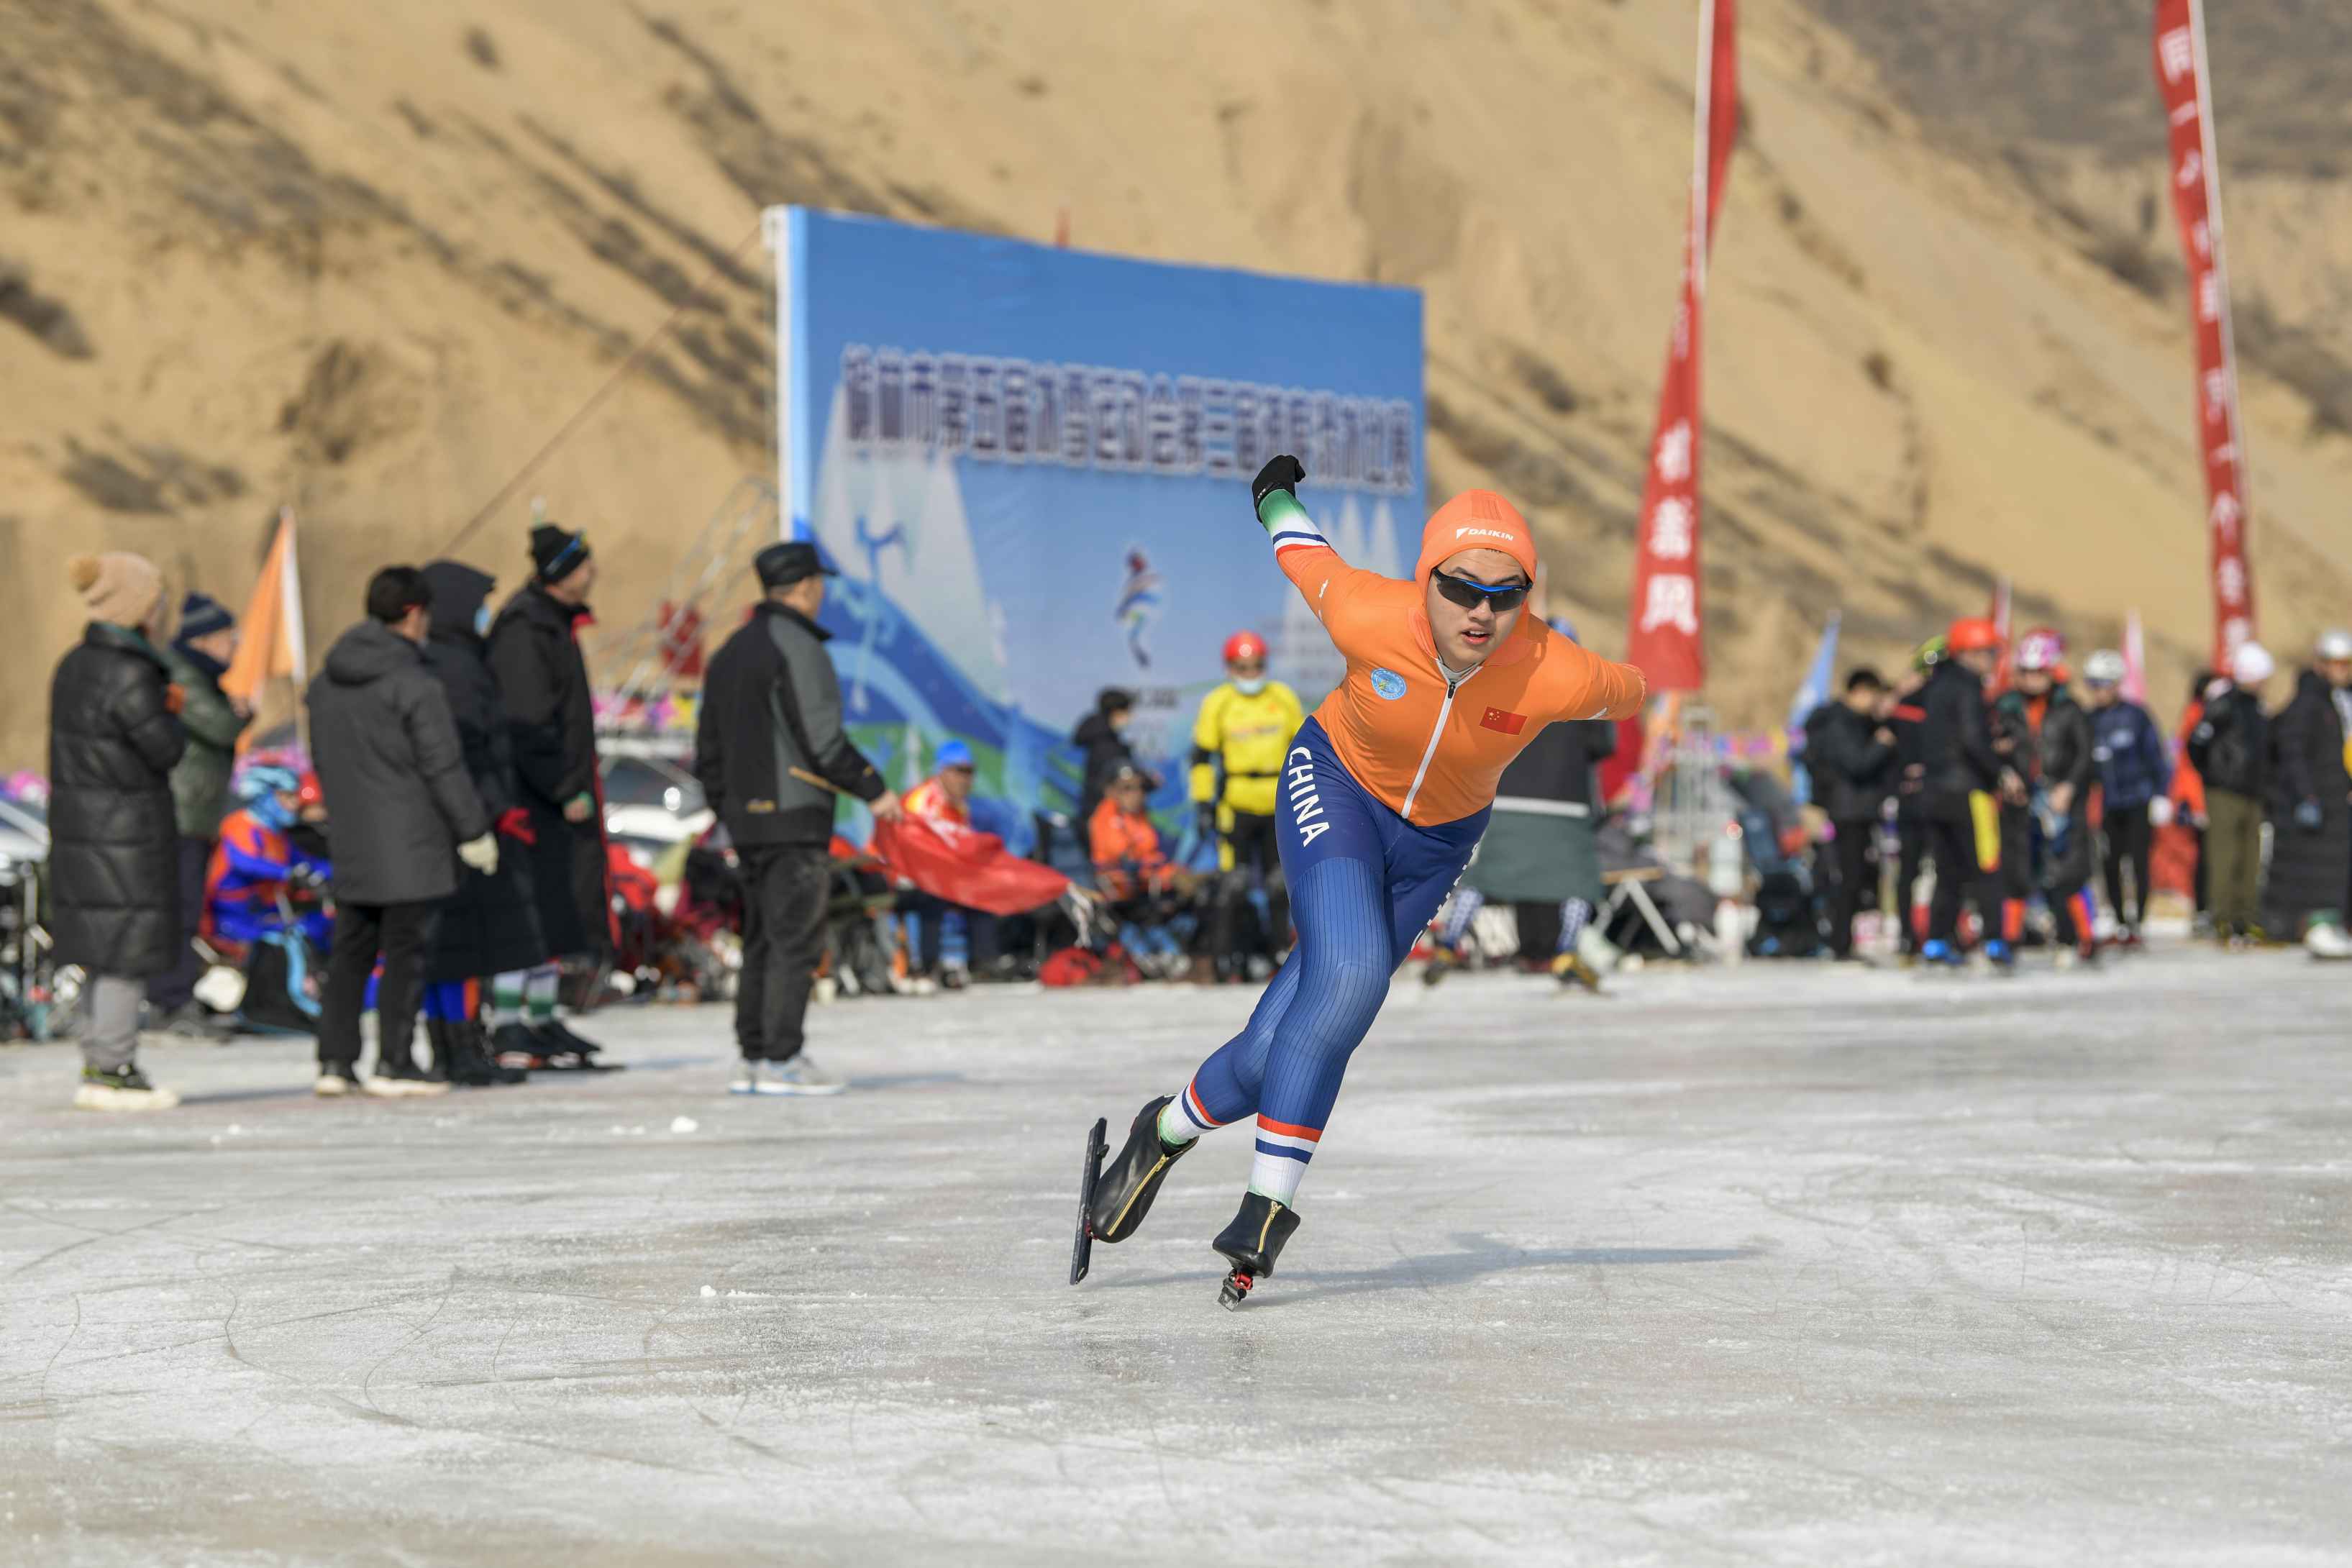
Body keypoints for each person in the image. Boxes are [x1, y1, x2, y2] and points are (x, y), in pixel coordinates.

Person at [1080, 455, 1646, 1305]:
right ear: (1425, 580)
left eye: (1506, 593)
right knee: (1351, 977)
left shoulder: (1551, 668)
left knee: (1291, 1037)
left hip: (1437, 843)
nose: (1481, 612)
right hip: (1334, 786)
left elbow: (1632, 689)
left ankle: (1160, 1133)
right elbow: (1302, 549)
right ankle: (1268, 1208)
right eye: (1459, 587)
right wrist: (1274, 494)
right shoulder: (1366, 612)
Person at [696, 539, 901, 1096]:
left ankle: (754, 1054)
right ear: (806, 587)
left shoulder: (731, 651)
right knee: (795, 939)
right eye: (820, 584)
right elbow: (823, 739)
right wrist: (872, 788)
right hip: (794, 817)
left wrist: (729, 808)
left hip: (748, 821)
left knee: (762, 936)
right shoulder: (799, 647)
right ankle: (782, 1057)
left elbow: (707, 748)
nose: (822, 594)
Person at [308, 567, 499, 1097]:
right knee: (407, 952)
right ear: (415, 614)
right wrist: (473, 830)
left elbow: (322, 760)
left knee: (350, 953)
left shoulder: (325, 683)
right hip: (413, 840)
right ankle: (395, 1060)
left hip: (351, 836)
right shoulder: (415, 683)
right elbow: (443, 765)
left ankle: (335, 1060)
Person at [48, 552, 186, 1111]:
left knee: (103, 949)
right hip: (124, 831)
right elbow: (164, 748)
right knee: (126, 950)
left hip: (84, 825)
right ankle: (113, 1066)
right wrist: (172, 710)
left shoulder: (75, 663)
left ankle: (99, 1056)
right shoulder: (130, 671)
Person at [1428, 615, 1618, 992]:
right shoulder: (1586, 701)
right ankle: (1566, 951)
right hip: (1566, 810)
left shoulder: (1509, 692)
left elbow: (1483, 731)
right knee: (1576, 885)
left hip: (1509, 805)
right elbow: (1605, 745)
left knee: (1483, 879)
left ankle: (1449, 943)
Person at [486, 523, 611, 1068]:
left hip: (557, 797)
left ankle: (540, 1017)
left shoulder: (552, 625)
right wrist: (564, 788)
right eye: (583, 566)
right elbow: (527, 725)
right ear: (562, 573)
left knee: (557, 914)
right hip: (533, 801)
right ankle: (511, 1022)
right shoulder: (525, 630)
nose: (592, 575)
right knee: (531, 915)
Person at [417, 560, 545, 1083]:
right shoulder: (457, 667)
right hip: (467, 820)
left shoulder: (449, 659)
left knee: (451, 946)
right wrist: (492, 811)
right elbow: (472, 749)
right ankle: (461, 1047)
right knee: (461, 946)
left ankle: (456, 1046)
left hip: (455, 817)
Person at [147, 592, 252, 1035]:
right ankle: (171, 1000)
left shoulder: (199, 676)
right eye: (230, 638)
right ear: (205, 640)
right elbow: (218, 725)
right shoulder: (182, 674)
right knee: (179, 907)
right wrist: (238, 714)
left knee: (187, 907)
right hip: (181, 812)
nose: (235, 647)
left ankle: (174, 996)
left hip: (196, 812)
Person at [1188, 630, 1304, 983]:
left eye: (1256, 667)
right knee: (1233, 885)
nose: (1251, 675)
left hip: (1276, 802)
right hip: (1235, 803)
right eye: (1242, 667)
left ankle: (1277, 954)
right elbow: (1202, 756)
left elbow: (1304, 747)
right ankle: (1226, 958)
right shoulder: (1218, 702)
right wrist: (1203, 803)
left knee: (1277, 883)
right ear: (1229, 668)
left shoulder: (1282, 697)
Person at [1998, 630, 2098, 966]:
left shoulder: (2069, 709)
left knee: (2068, 872)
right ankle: (2009, 939)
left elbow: (2085, 755)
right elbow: (1992, 749)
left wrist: (2068, 786)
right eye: (2025, 672)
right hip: (2021, 799)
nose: (2031, 679)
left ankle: (2081, 937)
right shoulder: (2006, 708)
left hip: (2060, 799)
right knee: (2017, 871)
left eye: (2038, 672)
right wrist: (2005, 772)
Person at [1918, 616, 2013, 968]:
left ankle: (1937, 942)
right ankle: (1994, 942)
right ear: (1970, 653)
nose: (1992, 660)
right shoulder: (1969, 687)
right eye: (1989, 653)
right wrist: (1999, 770)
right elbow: (1973, 739)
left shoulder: (1937, 686)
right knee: (1988, 866)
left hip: (1934, 793)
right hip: (1969, 792)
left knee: (1948, 872)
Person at [2264, 630, 2352, 957]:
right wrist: (2306, 795)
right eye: (2335, 664)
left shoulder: (2343, 701)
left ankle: (2338, 922)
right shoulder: (2307, 704)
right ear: (2320, 664)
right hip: (2320, 801)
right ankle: (2316, 923)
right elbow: (2292, 752)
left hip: (2342, 800)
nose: (2342, 670)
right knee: (2315, 869)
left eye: (2347, 664)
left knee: (2341, 866)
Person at [1803, 667, 1897, 962]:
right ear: (1859, 692)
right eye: (1873, 696)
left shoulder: (1854, 722)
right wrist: (1882, 745)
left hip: (1857, 808)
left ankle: (1843, 940)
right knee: (1849, 877)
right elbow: (1857, 764)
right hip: (1848, 810)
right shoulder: (1838, 723)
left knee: (1857, 877)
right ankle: (1840, 942)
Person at [2081, 649, 2171, 945]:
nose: (2098, 692)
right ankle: (2119, 921)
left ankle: (2138, 921)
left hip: (2137, 801)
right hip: (2107, 805)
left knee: (2138, 863)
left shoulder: (2136, 716)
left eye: (2102, 684)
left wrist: (2160, 795)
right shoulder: (2088, 719)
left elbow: (2156, 756)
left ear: (2116, 684)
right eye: (2092, 685)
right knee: (2110, 864)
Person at [2187, 642, 2274, 947]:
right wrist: (2213, 776)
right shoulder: (2224, 703)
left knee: (2251, 857)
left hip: (2253, 791)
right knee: (2224, 855)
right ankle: (2222, 917)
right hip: (2225, 791)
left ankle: (2246, 917)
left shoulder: (2258, 706)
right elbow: (2196, 743)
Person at [898, 738, 1000, 987]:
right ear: (942, 772)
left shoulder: (959, 806)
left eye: (970, 772)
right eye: (960, 772)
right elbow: (915, 851)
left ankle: (983, 965)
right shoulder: (922, 801)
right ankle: (925, 966)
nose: (966, 779)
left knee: (983, 893)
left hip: (939, 877)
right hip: (902, 877)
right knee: (933, 895)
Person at [204, 766, 334, 955]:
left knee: (321, 924)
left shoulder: (275, 834)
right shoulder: (241, 826)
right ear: (265, 796)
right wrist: (288, 874)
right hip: (231, 919)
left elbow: (304, 861)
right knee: (299, 937)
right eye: (286, 797)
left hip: (263, 910)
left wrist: (341, 871)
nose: (295, 804)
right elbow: (246, 863)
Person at [1090, 762, 1194, 974]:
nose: (1137, 794)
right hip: (1122, 886)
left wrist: (1171, 873)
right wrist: (1163, 873)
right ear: (1112, 791)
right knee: (1155, 901)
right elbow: (1124, 857)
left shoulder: (1139, 816)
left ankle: (1172, 951)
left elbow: (1150, 854)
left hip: (1146, 881)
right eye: (1127, 788)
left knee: (1197, 889)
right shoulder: (1106, 817)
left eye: (1140, 788)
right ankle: (1154, 952)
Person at [1883, 641, 1941, 960]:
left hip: (1934, 798)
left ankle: (1935, 932)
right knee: (1912, 871)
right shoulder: (1906, 706)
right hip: (1916, 800)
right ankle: (1911, 932)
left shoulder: (1916, 706)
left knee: (1945, 871)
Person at [1072, 688, 1150, 836]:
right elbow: (1115, 781)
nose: (1130, 717)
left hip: (1093, 811)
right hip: (1105, 817)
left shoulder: (1102, 739)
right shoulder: (1107, 746)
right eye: (1127, 711)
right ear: (1116, 713)